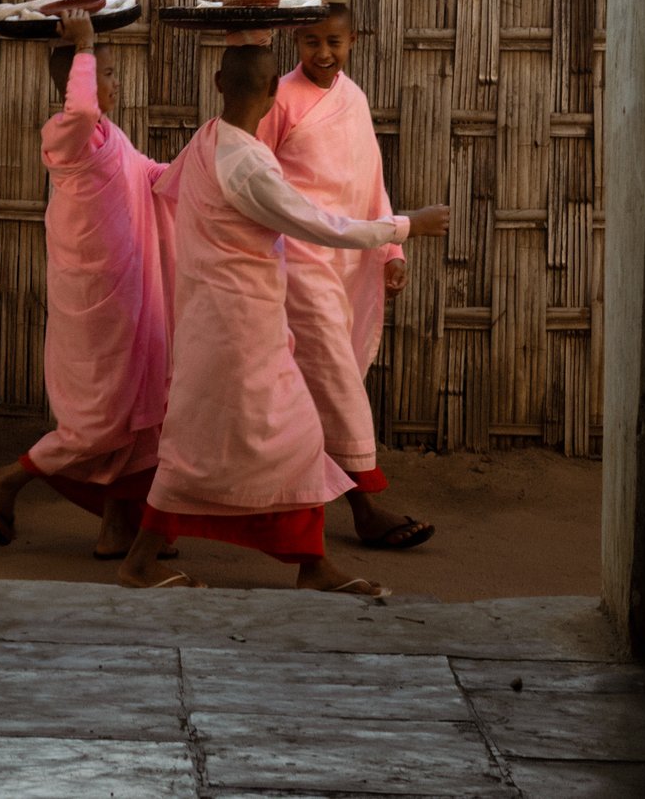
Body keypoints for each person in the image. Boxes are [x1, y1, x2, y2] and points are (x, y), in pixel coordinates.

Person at [119, 41, 448, 595]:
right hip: (240, 326)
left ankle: (304, 564)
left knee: (202, 441)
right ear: (276, 92)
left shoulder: (207, 141)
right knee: (289, 435)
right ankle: (160, 561)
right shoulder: (246, 163)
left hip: (215, 318)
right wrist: (403, 227)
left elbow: (164, 184)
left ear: (219, 83)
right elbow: (318, 223)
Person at [0, 7, 172, 560]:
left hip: (130, 293)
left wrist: (210, 164)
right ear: (76, 80)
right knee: (99, 421)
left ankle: (116, 528)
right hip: (95, 299)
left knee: (137, 416)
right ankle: (4, 480)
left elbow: (149, 174)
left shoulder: (111, 135)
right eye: (106, 72)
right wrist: (84, 43)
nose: (116, 82)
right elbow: (81, 107)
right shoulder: (67, 133)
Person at [260, 5, 432, 550]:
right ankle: (365, 505)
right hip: (300, 258)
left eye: (333, 40)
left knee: (320, 383)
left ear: (354, 40)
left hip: (350, 258)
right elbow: (255, 176)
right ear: (295, 39)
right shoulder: (279, 99)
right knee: (332, 378)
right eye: (310, 41)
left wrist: (390, 249)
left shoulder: (352, 98)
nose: (322, 53)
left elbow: (369, 182)